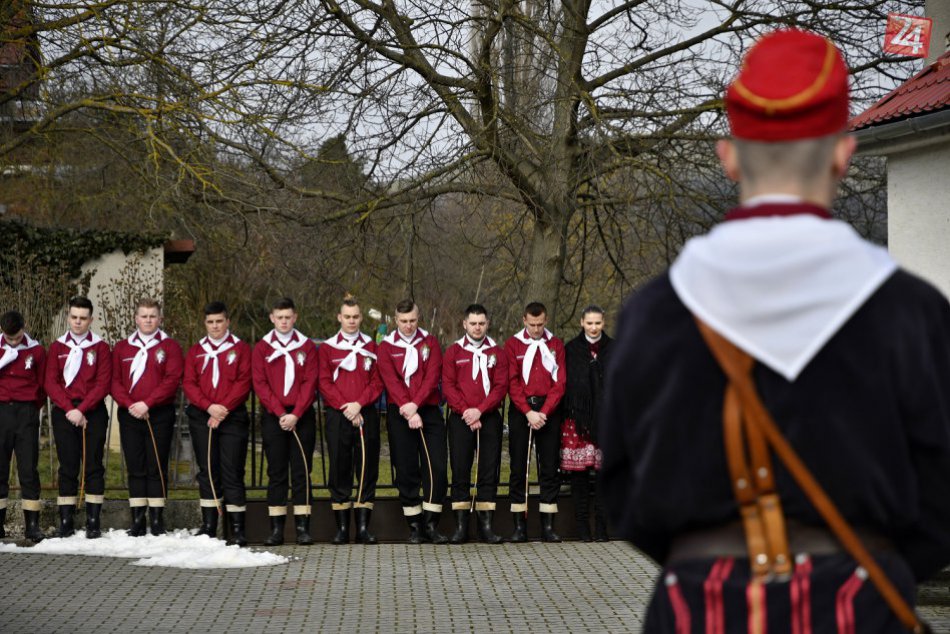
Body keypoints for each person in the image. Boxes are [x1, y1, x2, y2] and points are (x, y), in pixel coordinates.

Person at [599, 29, 950, 632]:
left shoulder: (654, 312)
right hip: (859, 606)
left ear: (728, 155)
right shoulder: (910, 311)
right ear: (843, 152)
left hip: (698, 605)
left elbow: (625, 490)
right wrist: (871, 567)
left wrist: (703, 562)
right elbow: (942, 495)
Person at [377, 299, 448, 544]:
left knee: (437, 467)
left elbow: (432, 377)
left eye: (413, 321)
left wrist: (415, 406)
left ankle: (431, 523)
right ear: (395, 321)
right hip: (400, 412)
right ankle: (415, 525)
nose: (409, 326)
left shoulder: (430, 341)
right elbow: (391, 381)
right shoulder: (386, 347)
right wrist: (408, 410)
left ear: (419, 318)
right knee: (406, 469)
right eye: (404, 321)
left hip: (427, 409)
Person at [182, 301, 252, 546]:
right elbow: (189, 383)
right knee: (207, 471)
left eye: (219, 321)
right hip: (203, 416)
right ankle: (209, 525)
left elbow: (244, 382)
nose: (215, 326)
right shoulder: (195, 351)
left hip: (232, 417)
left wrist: (222, 409)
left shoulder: (241, 349)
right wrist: (208, 406)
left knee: (232, 471)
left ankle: (237, 529)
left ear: (227, 322)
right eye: (210, 322)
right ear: (205, 323)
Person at [112, 298, 183, 537]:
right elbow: (115, 382)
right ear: (136, 318)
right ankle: (138, 520)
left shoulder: (170, 346)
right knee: (135, 466)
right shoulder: (122, 347)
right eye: (143, 316)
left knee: (156, 465)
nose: (148, 320)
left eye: (152, 316)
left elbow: (171, 380)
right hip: (130, 413)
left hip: (158, 413)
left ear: (160, 319)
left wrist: (147, 403)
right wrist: (131, 404)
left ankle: (157, 519)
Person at [317, 296, 384, 545]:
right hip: (338, 414)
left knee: (367, 468)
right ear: (339, 318)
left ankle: (363, 528)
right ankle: (342, 528)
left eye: (356, 317)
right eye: (347, 317)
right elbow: (324, 381)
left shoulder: (372, 346)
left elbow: (378, 382)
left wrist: (359, 404)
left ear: (361, 318)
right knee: (339, 467)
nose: (352, 321)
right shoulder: (327, 348)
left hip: (365, 412)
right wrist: (346, 407)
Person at [252, 297, 319, 546]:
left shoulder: (307, 346)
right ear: (272, 318)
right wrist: (280, 413)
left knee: (302, 472)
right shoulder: (262, 348)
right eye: (279, 317)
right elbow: (260, 383)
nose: (283, 321)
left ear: (295, 317)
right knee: (276, 473)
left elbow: (310, 382)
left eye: (288, 317)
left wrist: (296, 413)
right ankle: (276, 530)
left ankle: (303, 528)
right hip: (274, 417)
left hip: (301, 417)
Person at [44, 297, 112, 539]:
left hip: (92, 412)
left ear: (91, 320)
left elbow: (103, 383)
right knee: (68, 466)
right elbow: (51, 383)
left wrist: (82, 409)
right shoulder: (57, 347)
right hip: (64, 413)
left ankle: (93, 520)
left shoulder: (101, 348)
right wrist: (70, 410)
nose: (78, 322)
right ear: (68, 317)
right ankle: (66, 519)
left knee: (93, 465)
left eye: (83, 318)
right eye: (74, 317)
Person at [441, 303, 508, 544]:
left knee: (488, 470)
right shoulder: (453, 352)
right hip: (461, 419)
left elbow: (501, 386)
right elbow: (448, 385)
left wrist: (480, 410)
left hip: (489, 418)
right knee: (460, 470)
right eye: (473, 323)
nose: (477, 327)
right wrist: (467, 412)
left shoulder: (497, 353)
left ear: (487, 324)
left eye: (481, 323)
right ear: (465, 324)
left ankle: (486, 527)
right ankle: (461, 527)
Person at [505, 301, 566, 543]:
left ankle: (548, 525)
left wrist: (545, 411)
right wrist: (528, 411)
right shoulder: (512, 344)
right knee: (519, 466)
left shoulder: (556, 345)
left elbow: (560, 382)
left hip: (548, 410)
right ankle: (519, 525)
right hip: (522, 410)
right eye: (532, 325)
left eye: (540, 324)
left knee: (549, 467)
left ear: (546, 320)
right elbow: (512, 381)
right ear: (524, 321)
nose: (536, 329)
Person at [560, 305, 611, 542]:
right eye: (589, 323)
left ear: (603, 323)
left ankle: (601, 527)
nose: (593, 327)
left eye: (597, 323)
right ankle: (582, 527)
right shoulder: (571, 349)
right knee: (579, 475)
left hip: (606, 420)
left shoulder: (613, 348)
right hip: (578, 421)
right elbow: (568, 385)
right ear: (581, 322)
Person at [0, 310, 46, 542]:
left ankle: (32, 526)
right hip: (0, 410)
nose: (14, 342)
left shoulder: (36, 350)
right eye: (9, 339)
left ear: (24, 327)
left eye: (17, 337)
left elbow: (41, 384)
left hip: (26, 411)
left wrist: (31, 407)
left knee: (28, 469)